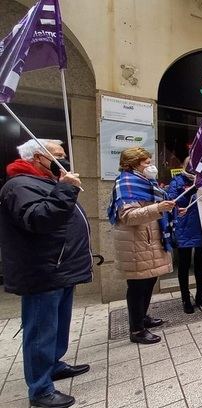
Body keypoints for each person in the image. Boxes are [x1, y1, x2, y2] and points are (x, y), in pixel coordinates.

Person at [0, 139, 92, 408]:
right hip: (43, 271)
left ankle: (53, 364)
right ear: (39, 157)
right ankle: (40, 389)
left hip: (61, 267)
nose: (63, 161)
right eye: (58, 156)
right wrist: (65, 189)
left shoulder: (47, 181)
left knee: (57, 325)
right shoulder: (19, 185)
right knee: (40, 330)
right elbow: (39, 219)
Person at [109, 147, 175, 344]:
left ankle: (142, 317)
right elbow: (128, 216)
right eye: (146, 162)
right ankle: (137, 330)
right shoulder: (126, 184)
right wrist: (158, 208)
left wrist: (168, 211)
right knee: (138, 286)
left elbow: (154, 208)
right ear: (133, 163)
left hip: (149, 239)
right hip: (136, 242)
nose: (151, 165)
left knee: (149, 282)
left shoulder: (147, 183)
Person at [166, 158, 202, 313]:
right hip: (183, 228)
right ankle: (185, 298)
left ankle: (201, 295)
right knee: (184, 265)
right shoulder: (177, 181)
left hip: (201, 227)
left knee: (199, 264)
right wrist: (191, 189)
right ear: (184, 166)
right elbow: (171, 200)